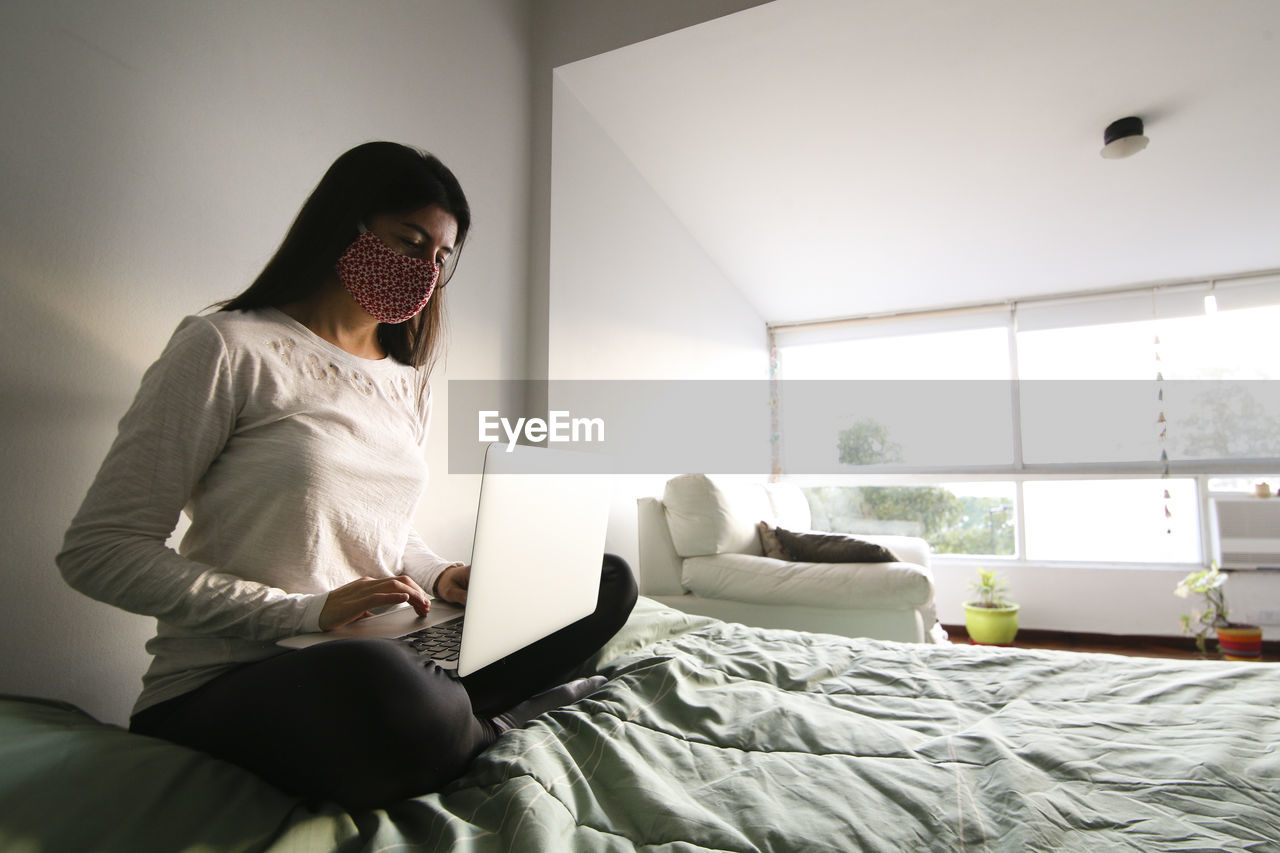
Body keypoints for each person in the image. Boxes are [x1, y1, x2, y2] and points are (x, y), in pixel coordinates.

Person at [56, 141, 637, 810]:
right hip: (240, 677)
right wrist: (305, 611)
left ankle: (455, 716)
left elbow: (380, 529)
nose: (425, 270)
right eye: (410, 241)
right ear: (346, 224)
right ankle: (479, 718)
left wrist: (439, 575)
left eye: (441, 257)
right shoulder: (225, 345)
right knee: (378, 683)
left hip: (386, 645)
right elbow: (99, 551)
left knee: (604, 578)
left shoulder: (405, 380)